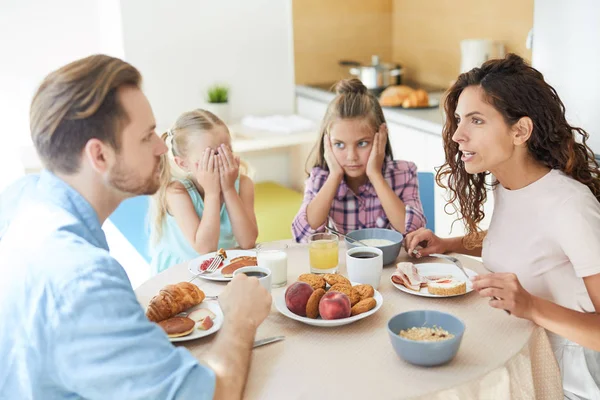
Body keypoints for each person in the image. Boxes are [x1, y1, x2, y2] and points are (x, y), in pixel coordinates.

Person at [0, 54, 271, 399]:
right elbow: (208, 394)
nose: (162, 147)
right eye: (147, 137)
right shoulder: (84, 280)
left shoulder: (21, 198)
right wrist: (240, 320)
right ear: (99, 156)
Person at [405, 54, 600, 398]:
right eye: (459, 120)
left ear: (520, 131)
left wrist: (530, 305)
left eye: (476, 121)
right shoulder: (506, 182)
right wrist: (448, 244)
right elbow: (522, 241)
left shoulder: (571, 207)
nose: (458, 136)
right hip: (516, 356)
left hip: (570, 381)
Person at [292, 78, 426, 242]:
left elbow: (415, 232)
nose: (351, 156)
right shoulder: (320, 179)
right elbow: (302, 235)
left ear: (381, 137)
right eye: (339, 144)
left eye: (362, 143)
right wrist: (335, 175)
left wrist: (375, 175)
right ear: (327, 143)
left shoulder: (404, 174)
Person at [149, 109, 258, 275]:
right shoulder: (177, 192)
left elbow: (248, 241)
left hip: (221, 269)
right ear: (183, 164)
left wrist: (228, 189)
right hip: (180, 273)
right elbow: (205, 248)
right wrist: (212, 193)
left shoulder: (243, 185)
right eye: (211, 155)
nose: (221, 160)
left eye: (226, 150)